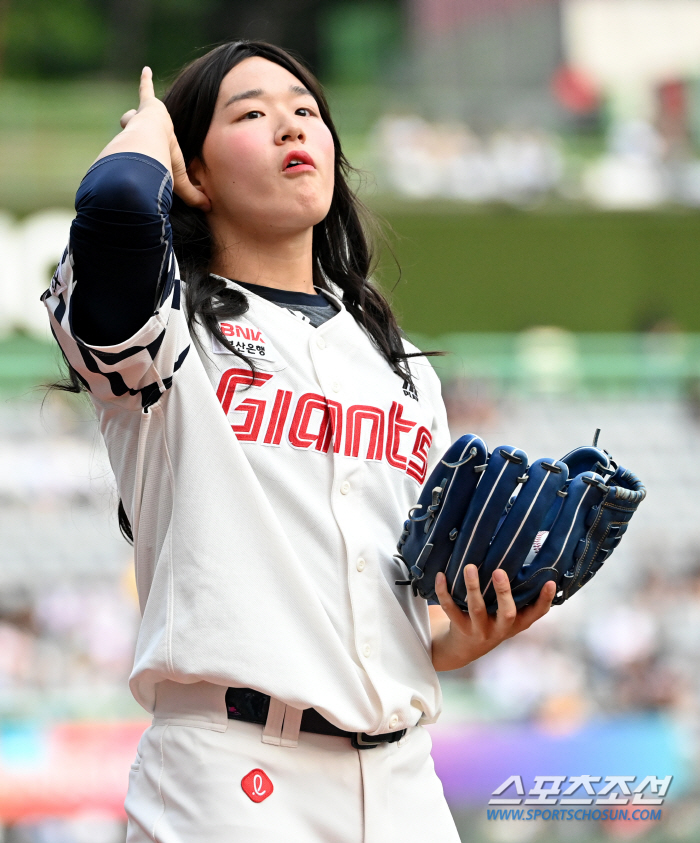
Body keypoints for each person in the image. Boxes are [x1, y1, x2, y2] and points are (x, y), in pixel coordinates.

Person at [43, 41, 556, 843]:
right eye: (251, 113)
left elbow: (390, 618)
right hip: (231, 777)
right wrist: (146, 134)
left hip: (404, 784)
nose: (290, 125)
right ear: (194, 172)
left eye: (306, 111)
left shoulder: (401, 365)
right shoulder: (169, 337)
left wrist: (464, 635)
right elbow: (112, 204)